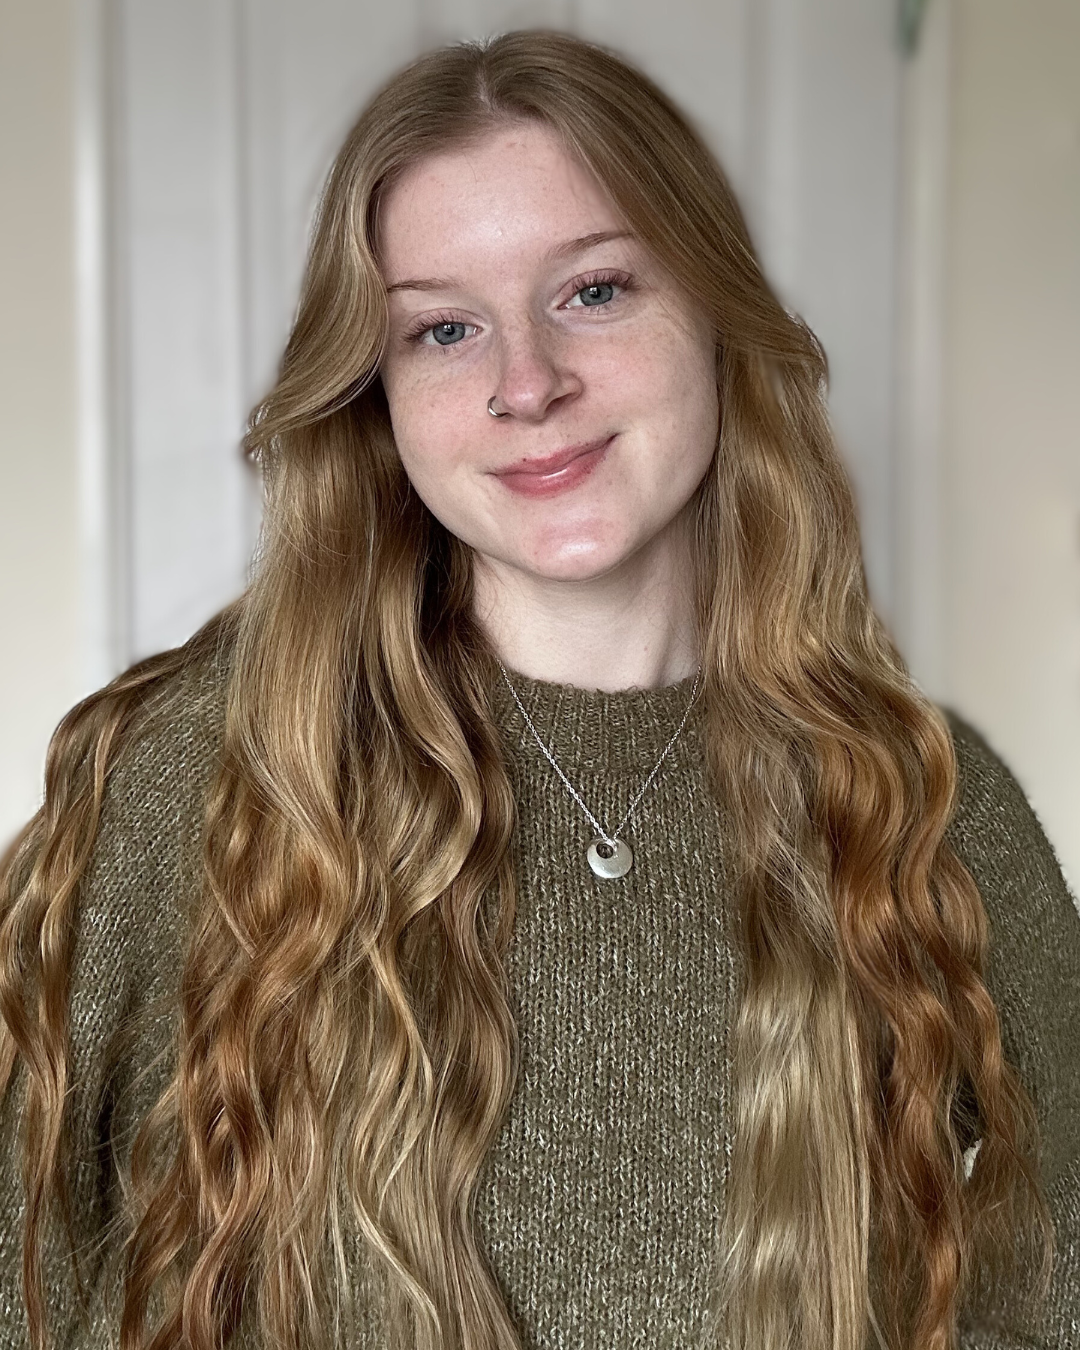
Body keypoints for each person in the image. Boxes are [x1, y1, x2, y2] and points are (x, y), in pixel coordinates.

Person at [1, 28, 1077, 1350]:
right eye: (444, 328)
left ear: (714, 308)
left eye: (594, 291)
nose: (528, 383)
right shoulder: (208, 766)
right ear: (376, 389)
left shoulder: (918, 794)